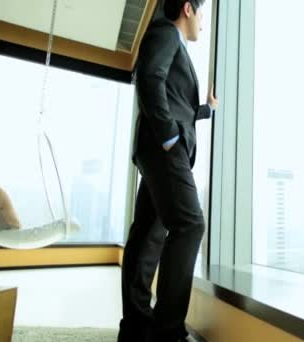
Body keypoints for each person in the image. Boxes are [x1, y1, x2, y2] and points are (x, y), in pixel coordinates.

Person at [118, 0, 217, 341]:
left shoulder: (173, 43)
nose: (203, 23)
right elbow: (149, 77)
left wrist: (206, 109)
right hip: (164, 149)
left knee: (148, 235)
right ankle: (168, 332)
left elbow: (175, 99)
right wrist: (169, 137)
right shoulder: (165, 32)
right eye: (202, 14)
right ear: (187, 9)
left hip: (159, 149)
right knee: (190, 225)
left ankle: (135, 328)